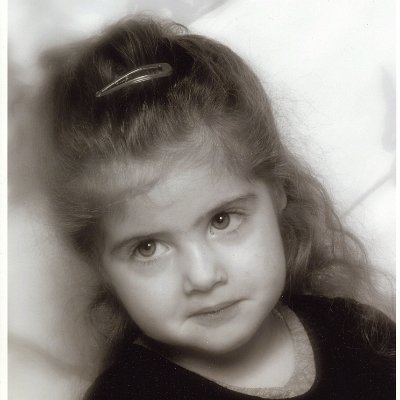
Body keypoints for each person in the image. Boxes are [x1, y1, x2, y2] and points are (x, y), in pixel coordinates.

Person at [40, 15, 395, 400]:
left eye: (222, 220)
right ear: (98, 263)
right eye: (148, 248)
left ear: (278, 192)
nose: (203, 276)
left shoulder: (358, 334)